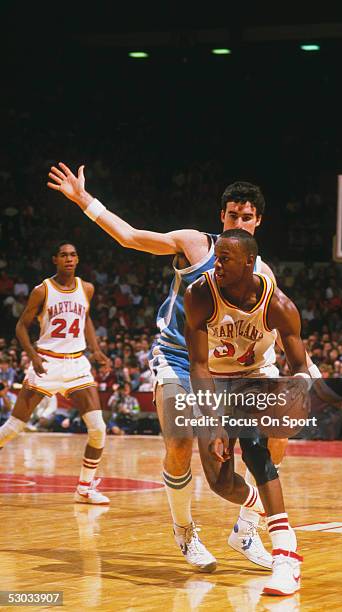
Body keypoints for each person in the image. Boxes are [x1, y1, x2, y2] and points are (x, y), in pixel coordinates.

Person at [47, 163, 320, 571]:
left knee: (275, 435)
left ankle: (246, 530)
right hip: (179, 356)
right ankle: (184, 530)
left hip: (236, 367)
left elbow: (278, 329)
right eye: (232, 215)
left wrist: (308, 374)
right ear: (221, 217)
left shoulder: (262, 274)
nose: (239, 222)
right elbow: (131, 237)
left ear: (259, 221)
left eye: (247, 217)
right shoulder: (196, 245)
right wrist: (82, 198)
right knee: (179, 443)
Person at [184, 229, 309, 596]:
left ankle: (286, 557)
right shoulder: (200, 295)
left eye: (225, 258)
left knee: (256, 451)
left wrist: (299, 393)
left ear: (249, 262)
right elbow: (198, 364)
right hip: (215, 383)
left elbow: (299, 364)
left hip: (257, 378)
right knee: (220, 481)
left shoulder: (277, 304)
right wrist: (212, 419)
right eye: (216, 256)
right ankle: (257, 507)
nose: (215, 264)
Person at [0, 241, 111, 505]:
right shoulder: (42, 290)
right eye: (63, 255)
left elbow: (86, 319)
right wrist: (34, 356)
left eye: (73, 255)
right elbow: (20, 327)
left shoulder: (87, 288)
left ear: (77, 259)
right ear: (55, 260)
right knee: (14, 427)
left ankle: (84, 488)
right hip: (47, 363)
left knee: (98, 428)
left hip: (76, 364)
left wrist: (95, 350)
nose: (69, 259)